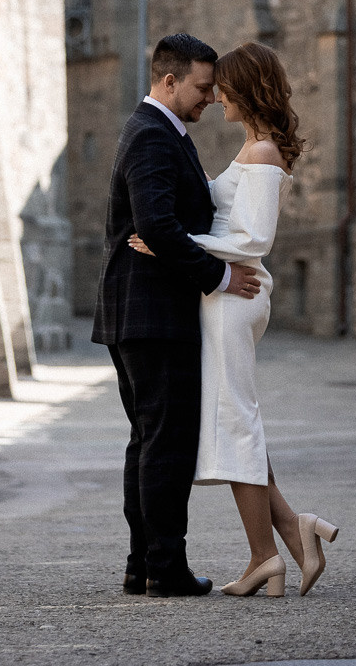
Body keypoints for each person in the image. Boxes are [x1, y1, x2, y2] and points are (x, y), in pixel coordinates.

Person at [130, 41, 339, 598]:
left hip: (235, 296)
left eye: (224, 87)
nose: (217, 95)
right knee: (235, 419)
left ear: (247, 89)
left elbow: (255, 239)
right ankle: (295, 537)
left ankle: (265, 556)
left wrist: (173, 243)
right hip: (223, 296)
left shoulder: (265, 153)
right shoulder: (252, 148)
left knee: (237, 420)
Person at [92, 33, 261, 598]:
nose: (210, 98)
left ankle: (144, 564)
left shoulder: (165, 133)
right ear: (169, 81)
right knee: (165, 442)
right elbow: (157, 225)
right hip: (152, 313)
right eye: (202, 87)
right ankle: (165, 567)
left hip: (142, 310)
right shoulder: (151, 136)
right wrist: (221, 276)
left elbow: (165, 226)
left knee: (148, 440)